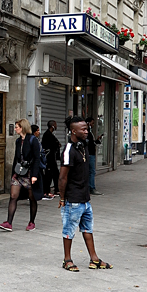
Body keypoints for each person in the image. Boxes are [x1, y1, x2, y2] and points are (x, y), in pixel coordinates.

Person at [59, 115, 112, 272]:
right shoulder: (68, 150)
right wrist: (62, 198)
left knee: (88, 229)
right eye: (83, 129)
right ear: (73, 131)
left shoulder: (83, 145)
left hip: (85, 198)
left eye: (87, 128)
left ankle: (94, 259)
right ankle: (67, 260)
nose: (87, 131)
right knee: (69, 230)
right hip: (73, 198)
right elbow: (62, 177)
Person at [0, 118, 43, 232]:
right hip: (19, 172)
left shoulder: (33, 140)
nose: (15, 128)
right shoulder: (18, 141)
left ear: (22, 127)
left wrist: (34, 175)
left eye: (17, 126)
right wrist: (13, 172)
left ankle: (32, 222)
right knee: (13, 196)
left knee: (32, 198)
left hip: (29, 173)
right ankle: (9, 222)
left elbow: (37, 158)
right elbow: (16, 158)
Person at [41, 119, 61, 198]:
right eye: (55, 125)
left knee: (56, 174)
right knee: (48, 175)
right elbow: (50, 145)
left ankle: (57, 189)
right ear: (52, 126)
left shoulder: (51, 134)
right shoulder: (47, 135)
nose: (56, 126)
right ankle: (46, 191)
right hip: (49, 158)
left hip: (52, 158)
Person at [85, 117, 103, 194]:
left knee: (90, 171)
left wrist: (97, 140)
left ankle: (89, 187)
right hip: (89, 154)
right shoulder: (87, 132)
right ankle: (91, 188)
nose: (93, 125)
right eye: (92, 123)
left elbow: (91, 143)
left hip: (91, 153)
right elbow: (88, 144)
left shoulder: (90, 132)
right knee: (91, 171)